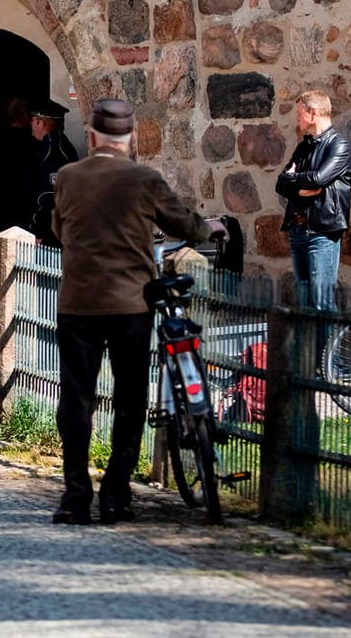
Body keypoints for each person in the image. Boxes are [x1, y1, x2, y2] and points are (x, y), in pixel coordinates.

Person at [51, 98, 225, 525]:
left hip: (80, 302)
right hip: (131, 303)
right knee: (130, 398)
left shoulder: (69, 178)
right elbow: (184, 223)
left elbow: (58, 228)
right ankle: (115, 493)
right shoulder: (144, 179)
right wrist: (210, 228)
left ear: (91, 137)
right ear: (130, 139)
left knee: (77, 398)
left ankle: (76, 497)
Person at [275, 89, 351, 311]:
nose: (297, 118)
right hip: (298, 231)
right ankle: (312, 348)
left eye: (300, 113)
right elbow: (280, 183)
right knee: (306, 307)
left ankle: (327, 348)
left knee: (322, 305)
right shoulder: (304, 147)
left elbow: (319, 178)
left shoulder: (339, 146)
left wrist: (294, 179)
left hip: (322, 233)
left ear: (313, 113)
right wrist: (300, 189)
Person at [27, 99, 78, 245]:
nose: (30, 125)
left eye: (32, 120)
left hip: (50, 235)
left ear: (40, 122)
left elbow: (49, 195)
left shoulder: (55, 152)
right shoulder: (55, 146)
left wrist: (36, 229)